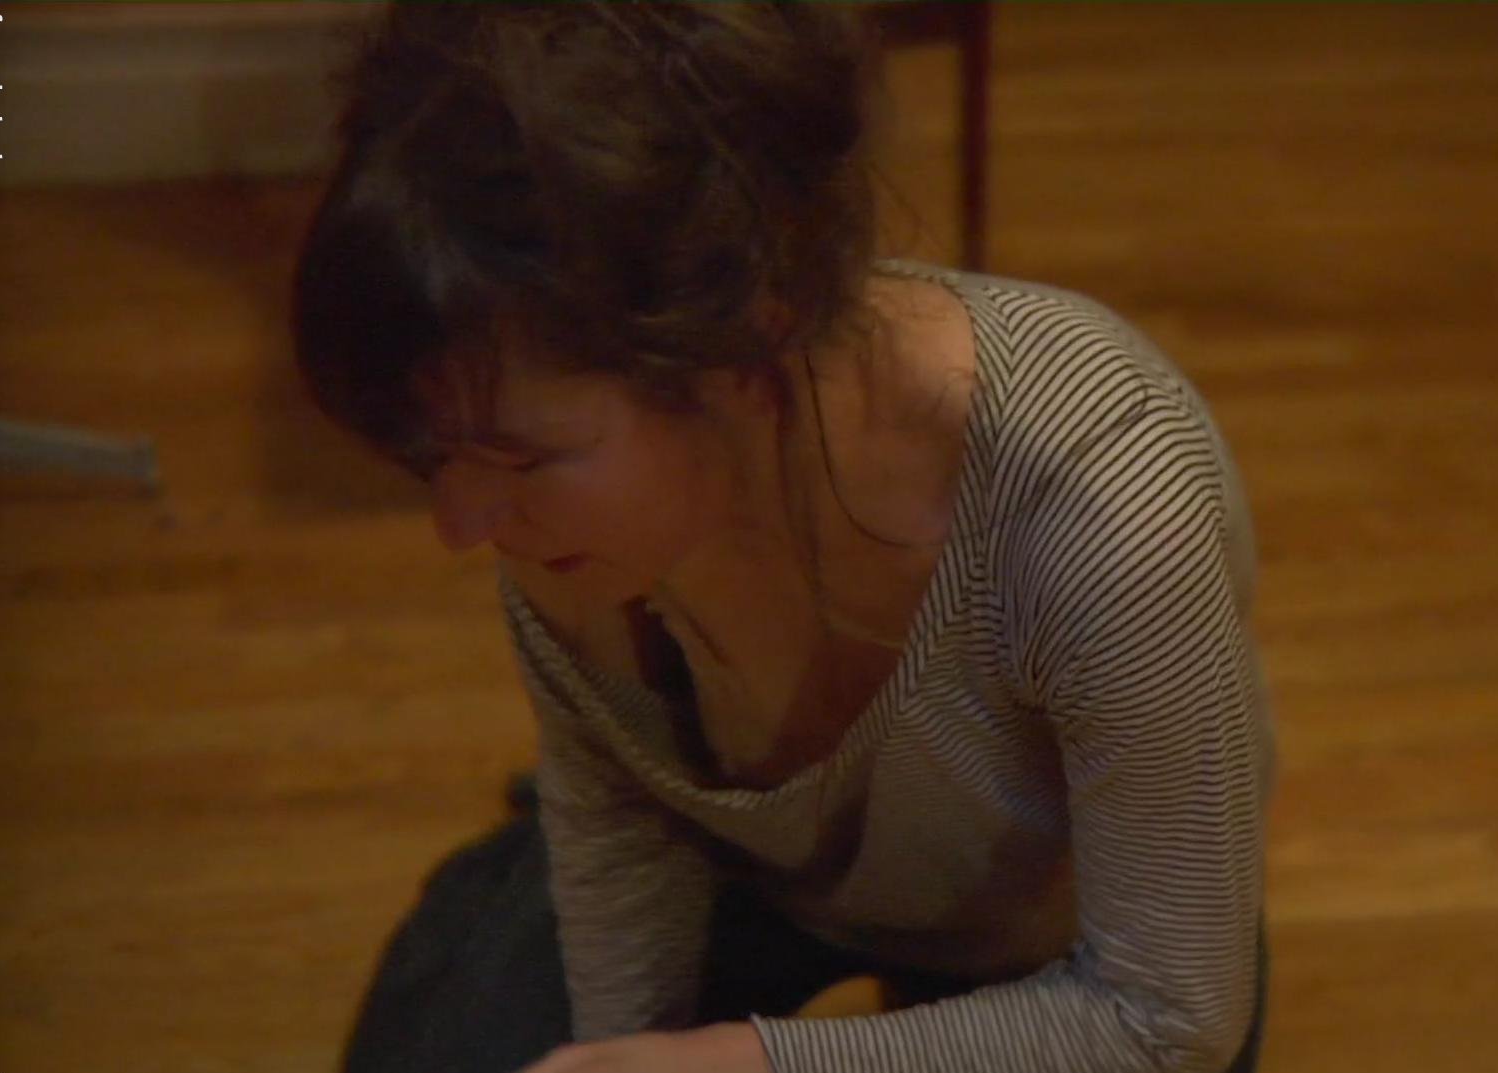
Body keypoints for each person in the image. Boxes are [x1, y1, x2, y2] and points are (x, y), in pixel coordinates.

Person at [292, 3, 1277, 1072]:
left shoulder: (1103, 499)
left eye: (522, 459)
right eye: (436, 457)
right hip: (752, 868)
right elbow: (623, 818)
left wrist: (750, 1063)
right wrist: (623, 1053)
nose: (459, 523)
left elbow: (1168, 1013)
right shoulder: (559, 511)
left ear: (746, 345)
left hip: (1066, 960)